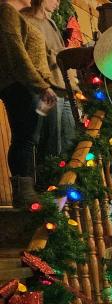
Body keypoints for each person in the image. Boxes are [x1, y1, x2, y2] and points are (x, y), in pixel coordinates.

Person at [0, 0, 54, 207]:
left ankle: (29, 190)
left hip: (31, 85)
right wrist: (40, 84)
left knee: (31, 138)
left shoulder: (21, 15)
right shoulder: (7, 10)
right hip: (21, 84)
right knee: (25, 139)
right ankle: (24, 193)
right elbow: (16, 53)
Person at [23, 0, 70, 170]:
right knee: (49, 139)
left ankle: (64, 184)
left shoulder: (51, 23)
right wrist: (41, 85)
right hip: (46, 89)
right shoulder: (26, 19)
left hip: (64, 88)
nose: (58, 3)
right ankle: (47, 183)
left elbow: (59, 52)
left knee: (68, 138)